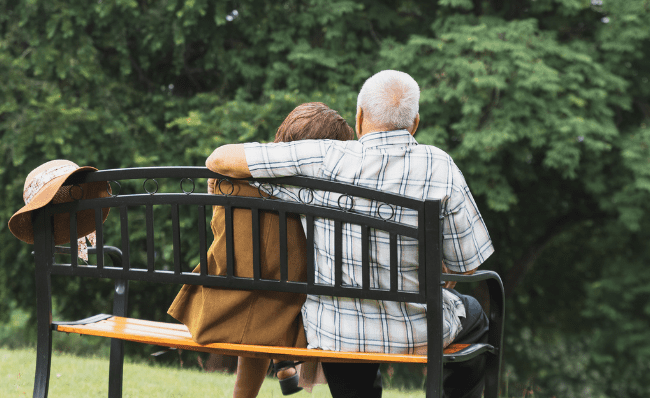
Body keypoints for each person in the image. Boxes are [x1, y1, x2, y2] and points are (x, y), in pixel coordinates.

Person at [205, 70, 494, 398]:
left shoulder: (323, 157)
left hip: (337, 333)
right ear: (414, 123)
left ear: (359, 118)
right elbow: (466, 268)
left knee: (347, 324)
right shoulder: (441, 166)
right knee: (474, 314)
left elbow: (219, 158)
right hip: (419, 331)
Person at [168, 102, 354, 397]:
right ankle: (283, 363)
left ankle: (281, 366)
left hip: (217, 304)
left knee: (259, 285)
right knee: (274, 290)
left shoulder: (230, 180)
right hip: (285, 311)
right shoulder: (319, 195)